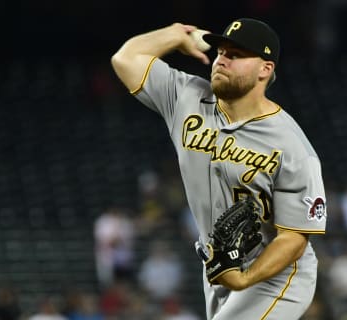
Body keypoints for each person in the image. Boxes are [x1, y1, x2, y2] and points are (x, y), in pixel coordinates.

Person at [111, 18, 327, 320]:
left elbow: (294, 238)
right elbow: (126, 58)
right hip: (218, 267)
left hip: (275, 273)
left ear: (265, 69)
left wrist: (247, 278)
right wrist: (176, 35)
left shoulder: (293, 147)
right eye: (220, 52)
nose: (221, 60)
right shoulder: (187, 98)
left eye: (235, 55)